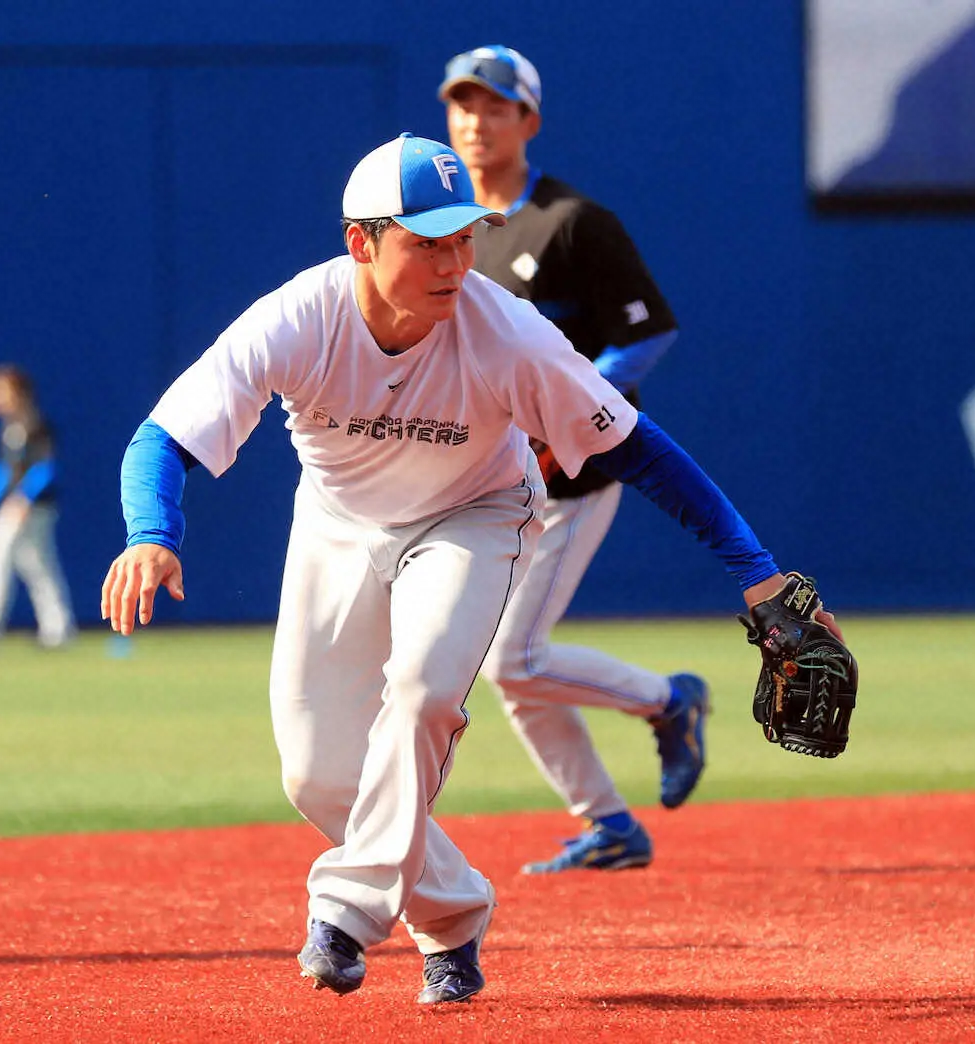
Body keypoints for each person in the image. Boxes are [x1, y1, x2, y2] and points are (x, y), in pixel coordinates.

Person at [100, 133, 841, 1005]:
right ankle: (452, 917)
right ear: (361, 243)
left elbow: (642, 452)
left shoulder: (510, 334)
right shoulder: (300, 317)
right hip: (338, 524)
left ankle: (341, 914)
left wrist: (754, 569)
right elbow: (164, 437)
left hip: (476, 516)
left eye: (465, 238)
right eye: (428, 242)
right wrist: (153, 532)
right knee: (314, 773)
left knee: (422, 693)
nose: (455, 262)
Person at [439, 45, 695, 875]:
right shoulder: (445, 229)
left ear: (529, 121)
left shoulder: (571, 220)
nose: (476, 121)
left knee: (511, 659)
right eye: (463, 105)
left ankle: (669, 701)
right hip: (484, 474)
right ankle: (611, 823)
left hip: (569, 475)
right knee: (514, 669)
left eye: (495, 106)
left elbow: (649, 328)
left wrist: (573, 414)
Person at [0, 364, 76, 647]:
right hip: (12, 507)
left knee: (4, 560)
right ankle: (58, 628)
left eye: (3, 391)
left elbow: (44, 468)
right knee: (36, 566)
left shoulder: (36, 425)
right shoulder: (10, 428)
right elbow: (6, 472)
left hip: (33, 509)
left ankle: (56, 628)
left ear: (19, 393)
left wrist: (25, 498)